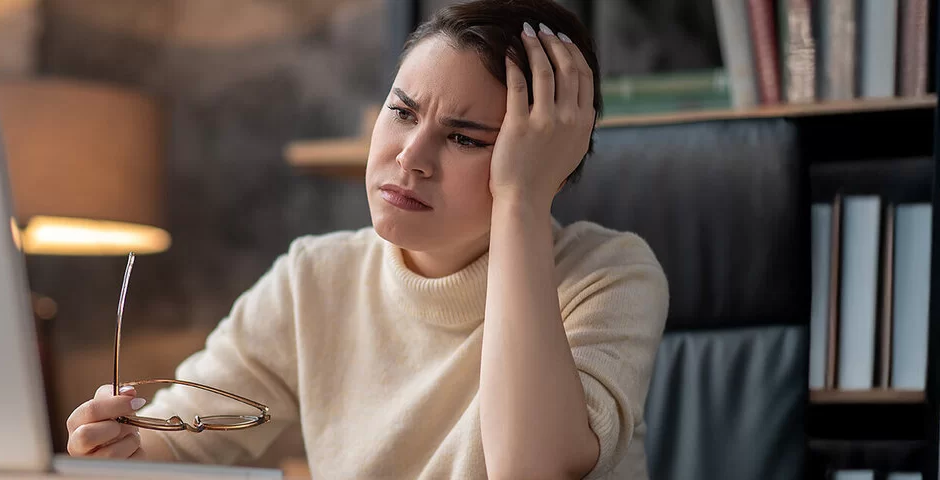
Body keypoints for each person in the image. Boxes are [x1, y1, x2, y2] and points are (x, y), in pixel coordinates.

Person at [64, 0, 669, 478]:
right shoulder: (313, 281)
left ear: (542, 162)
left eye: (465, 138)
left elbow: (530, 469)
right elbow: (171, 447)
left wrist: (522, 203)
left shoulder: (610, 274)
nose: (410, 156)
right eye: (403, 112)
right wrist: (116, 450)